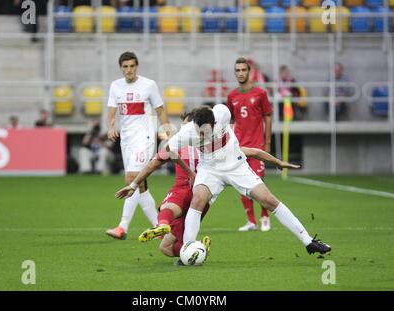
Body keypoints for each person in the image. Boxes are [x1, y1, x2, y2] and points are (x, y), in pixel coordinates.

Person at [124, 105, 331, 258]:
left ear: (216, 123)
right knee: (198, 200)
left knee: (268, 200)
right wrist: (134, 185)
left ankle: (308, 241)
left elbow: (252, 150)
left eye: (205, 130)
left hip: (235, 165)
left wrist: (277, 162)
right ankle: (188, 248)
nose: (201, 135)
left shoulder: (222, 113)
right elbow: (162, 157)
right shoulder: (186, 134)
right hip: (209, 170)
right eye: (198, 131)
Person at [105, 51, 170, 240]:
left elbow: (160, 110)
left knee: (131, 179)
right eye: (125, 67)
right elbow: (111, 111)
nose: (129, 70)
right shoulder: (115, 86)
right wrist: (111, 127)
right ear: (121, 68)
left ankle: (122, 227)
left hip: (145, 138)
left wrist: (168, 132)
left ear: (137, 66)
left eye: (132, 66)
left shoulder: (149, 85)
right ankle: (159, 227)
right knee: (139, 184)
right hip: (127, 141)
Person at [227, 57, 273, 232]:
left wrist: (267, 141)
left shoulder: (260, 93)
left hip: (256, 146)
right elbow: (230, 120)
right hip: (239, 147)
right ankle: (251, 221)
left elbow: (267, 116)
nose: (240, 73)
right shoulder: (232, 96)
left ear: (249, 72)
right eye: (237, 70)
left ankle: (265, 217)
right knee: (240, 182)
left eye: (243, 70)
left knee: (258, 181)